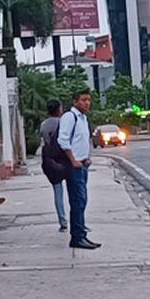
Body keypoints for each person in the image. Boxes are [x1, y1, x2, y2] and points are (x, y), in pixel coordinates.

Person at [58, 89, 100, 250]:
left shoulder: (83, 118)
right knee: (77, 201)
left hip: (82, 164)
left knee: (82, 201)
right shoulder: (70, 117)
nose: (87, 103)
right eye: (83, 100)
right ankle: (77, 237)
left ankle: (81, 234)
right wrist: (73, 160)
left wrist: (86, 158)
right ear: (75, 102)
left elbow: (82, 140)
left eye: (88, 100)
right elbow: (63, 140)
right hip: (74, 166)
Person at [37, 99, 68, 231]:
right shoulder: (63, 122)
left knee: (57, 192)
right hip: (65, 159)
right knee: (74, 192)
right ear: (59, 109)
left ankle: (62, 221)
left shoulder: (44, 125)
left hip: (50, 161)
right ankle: (77, 220)